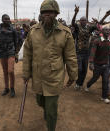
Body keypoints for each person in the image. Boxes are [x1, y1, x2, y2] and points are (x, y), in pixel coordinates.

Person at [23, 0, 78, 130]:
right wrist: (26, 73)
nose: (47, 14)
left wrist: (73, 75)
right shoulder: (33, 31)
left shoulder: (65, 33)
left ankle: (51, 125)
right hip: (38, 76)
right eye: (44, 12)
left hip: (54, 77)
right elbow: (27, 53)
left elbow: (70, 56)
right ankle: (46, 110)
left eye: (50, 12)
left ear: (56, 13)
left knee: (52, 109)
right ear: (41, 14)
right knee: (40, 101)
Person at [71, 5, 98, 90]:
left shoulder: (89, 28)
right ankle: (77, 83)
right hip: (79, 51)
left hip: (86, 52)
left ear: (87, 21)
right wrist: (75, 13)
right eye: (81, 20)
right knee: (79, 69)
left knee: (84, 70)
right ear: (80, 21)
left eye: (84, 20)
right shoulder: (77, 27)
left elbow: (97, 26)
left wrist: (103, 18)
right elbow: (72, 23)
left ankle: (80, 84)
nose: (83, 21)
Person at [0, 14, 18, 97]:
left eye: (8, 19)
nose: (7, 20)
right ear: (2, 20)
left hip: (11, 51)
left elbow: (16, 41)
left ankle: (12, 88)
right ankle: (6, 88)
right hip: (2, 51)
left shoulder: (12, 29)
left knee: (10, 70)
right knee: (5, 71)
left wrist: (16, 53)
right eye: (5, 19)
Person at [85, 27, 110, 104]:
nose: (108, 31)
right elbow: (93, 52)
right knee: (95, 78)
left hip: (106, 65)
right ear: (102, 32)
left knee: (106, 81)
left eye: (108, 30)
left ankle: (104, 97)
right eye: (106, 30)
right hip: (97, 65)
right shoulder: (97, 41)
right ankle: (88, 85)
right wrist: (91, 62)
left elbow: (108, 53)